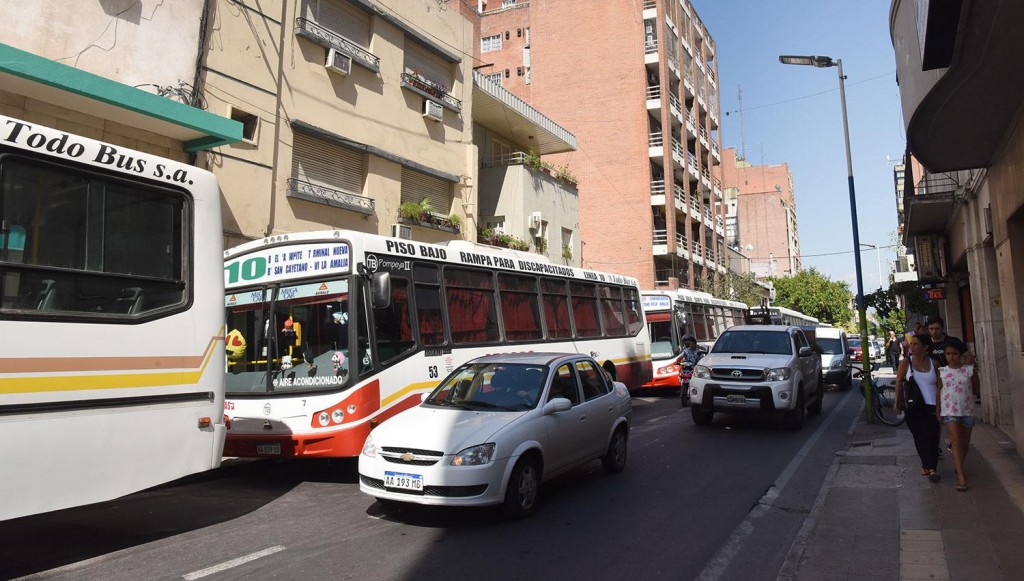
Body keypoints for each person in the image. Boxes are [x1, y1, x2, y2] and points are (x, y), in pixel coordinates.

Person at [894, 333, 941, 482]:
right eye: (911, 344)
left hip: (932, 406)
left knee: (933, 437)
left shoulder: (934, 364)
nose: (912, 347)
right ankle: (928, 466)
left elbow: (940, 387)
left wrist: (941, 407)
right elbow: (898, 381)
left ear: (925, 347)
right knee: (920, 437)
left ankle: (930, 467)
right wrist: (897, 402)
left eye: (916, 344)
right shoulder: (906, 362)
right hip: (913, 406)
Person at [935, 339, 979, 491]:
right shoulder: (942, 371)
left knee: (965, 442)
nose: (951, 357)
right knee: (955, 441)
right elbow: (939, 391)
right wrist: (938, 410)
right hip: (949, 410)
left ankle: (959, 465)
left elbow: (976, 389)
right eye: (948, 354)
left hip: (967, 409)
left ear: (960, 354)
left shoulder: (969, 370)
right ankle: (960, 476)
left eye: (954, 353)